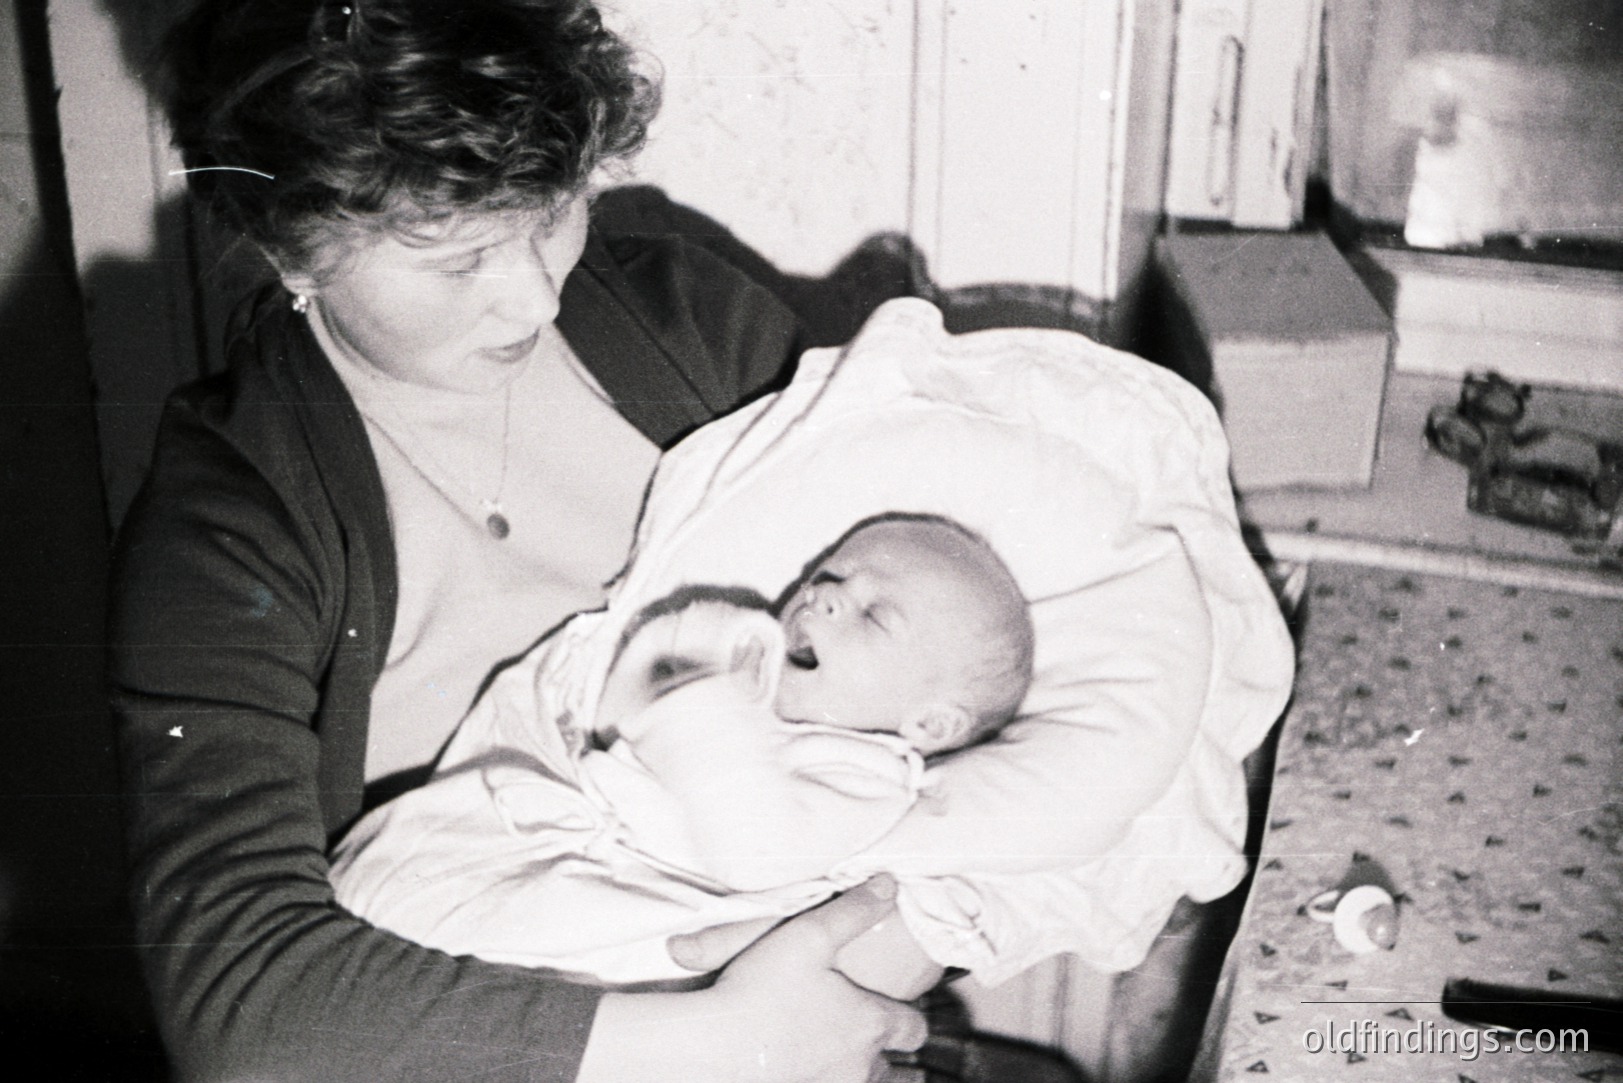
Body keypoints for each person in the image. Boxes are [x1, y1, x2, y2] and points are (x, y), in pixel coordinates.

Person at [108, 1, 930, 1080]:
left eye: (552, 215)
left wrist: (875, 950)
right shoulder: (228, 520)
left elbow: (965, 628)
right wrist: (720, 1038)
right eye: (456, 262)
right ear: (285, 246)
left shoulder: (693, 331)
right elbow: (242, 1005)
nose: (534, 297)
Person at [328, 514, 1037, 981]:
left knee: (506, 960)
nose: (824, 600)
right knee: (390, 885)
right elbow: (615, 715)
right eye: (830, 578)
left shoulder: (870, 774)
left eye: (874, 615)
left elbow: (756, 848)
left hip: (645, 912)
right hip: (571, 842)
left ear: (930, 724)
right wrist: (687, 651)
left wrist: (702, 707)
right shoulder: (745, 686)